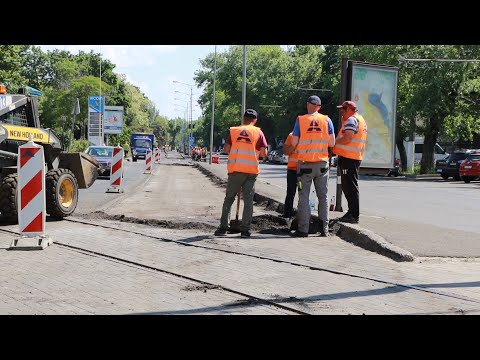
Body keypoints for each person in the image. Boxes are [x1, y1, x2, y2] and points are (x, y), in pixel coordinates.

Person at [285, 95, 335, 237]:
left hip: (305, 165)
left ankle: (303, 230)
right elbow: (331, 143)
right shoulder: (327, 120)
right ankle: (324, 229)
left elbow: (294, 142)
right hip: (322, 165)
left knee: (304, 197)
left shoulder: (301, 120)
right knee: (323, 197)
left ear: (308, 105)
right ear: (319, 107)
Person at [214, 109, 268, 238]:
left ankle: (222, 228)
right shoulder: (258, 132)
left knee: (229, 199)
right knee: (249, 201)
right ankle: (245, 230)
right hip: (251, 171)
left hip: (235, 169)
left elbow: (226, 149)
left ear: (243, 119)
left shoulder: (234, 131)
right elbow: (264, 153)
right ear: (255, 120)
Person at [332, 100, 368, 224]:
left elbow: (348, 137)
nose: (341, 112)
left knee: (349, 186)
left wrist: (334, 142)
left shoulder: (352, 120)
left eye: (343, 109)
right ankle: (352, 213)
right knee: (349, 185)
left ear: (349, 110)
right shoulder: (360, 119)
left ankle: (353, 214)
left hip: (349, 158)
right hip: (352, 157)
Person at [281, 132, 298, 218]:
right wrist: (293, 146)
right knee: (290, 192)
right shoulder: (292, 135)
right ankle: (287, 213)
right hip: (292, 170)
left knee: (303, 193)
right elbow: (285, 151)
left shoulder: (309, 134)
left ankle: (301, 215)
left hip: (304, 171)